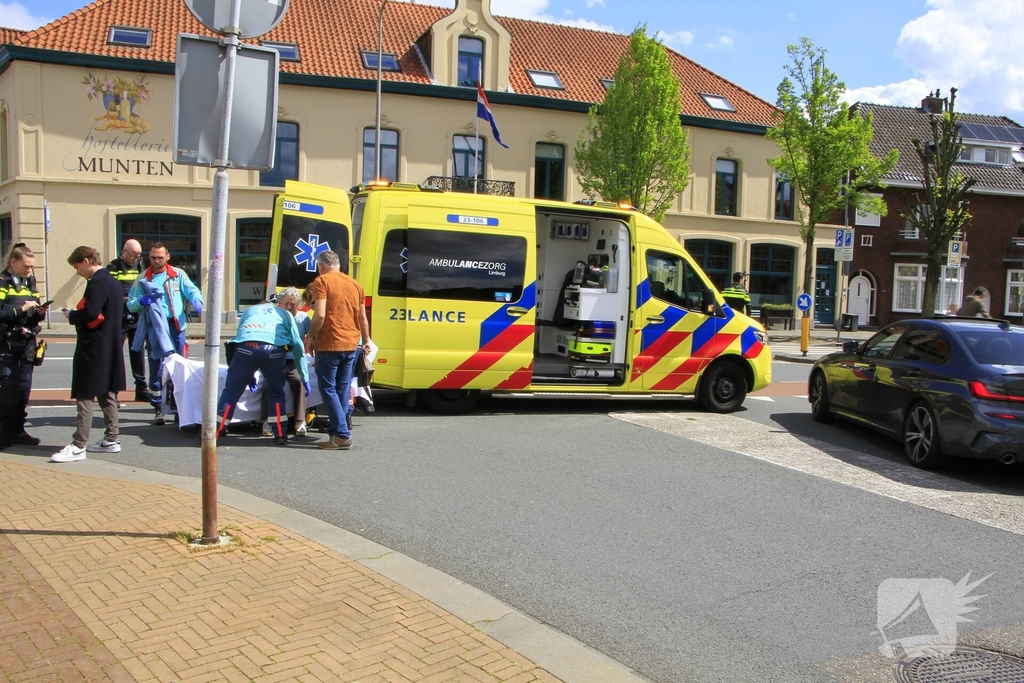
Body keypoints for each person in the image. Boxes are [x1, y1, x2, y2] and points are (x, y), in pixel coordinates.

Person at [51, 247, 126, 463]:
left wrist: (72, 315)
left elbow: (91, 312)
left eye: (77, 267)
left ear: (86, 261)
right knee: (106, 391)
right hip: (110, 344)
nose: (78, 272)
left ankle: (78, 445)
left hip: (93, 346)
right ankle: (112, 438)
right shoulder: (112, 281)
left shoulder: (97, 282)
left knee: (85, 393)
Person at [127, 242, 204, 424]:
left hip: (175, 327)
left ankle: (179, 409)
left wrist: (197, 300)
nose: (157, 260)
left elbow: (191, 290)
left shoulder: (177, 274)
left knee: (179, 368)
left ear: (167, 257)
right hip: (155, 329)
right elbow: (130, 303)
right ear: (149, 257)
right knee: (156, 368)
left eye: (160, 257)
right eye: (153, 257)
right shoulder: (143, 278)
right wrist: (141, 302)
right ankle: (158, 409)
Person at [215, 297, 309, 446]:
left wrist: (248, 373)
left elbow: (240, 336)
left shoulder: (249, 311)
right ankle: (280, 434)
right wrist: (304, 376)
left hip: (246, 349)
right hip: (274, 350)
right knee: (276, 393)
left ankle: (215, 432)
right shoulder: (285, 314)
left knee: (231, 392)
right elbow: (297, 345)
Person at [306, 250, 371, 451]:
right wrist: (366, 340)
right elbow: (362, 317)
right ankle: (337, 432)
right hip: (351, 343)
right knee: (343, 389)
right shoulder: (355, 284)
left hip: (330, 342)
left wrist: (310, 337)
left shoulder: (322, 281)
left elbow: (320, 315)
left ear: (321, 266)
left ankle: (342, 434)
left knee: (328, 388)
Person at [0, 243, 50, 450]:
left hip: (27, 343)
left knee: (23, 389)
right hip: (7, 344)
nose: (29, 270)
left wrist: (39, 313)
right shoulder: (3, 282)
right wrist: (20, 309)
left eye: (31, 266)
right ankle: (4, 433)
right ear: (13, 262)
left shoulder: (30, 283)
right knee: (7, 389)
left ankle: (18, 431)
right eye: (26, 266)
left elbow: (35, 316)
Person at [260, 287, 310, 437]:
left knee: (299, 381)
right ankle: (267, 421)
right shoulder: (273, 317)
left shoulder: (303, 318)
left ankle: (300, 421)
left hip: (293, 359)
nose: (289, 307)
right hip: (275, 358)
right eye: (286, 304)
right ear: (280, 304)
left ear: (298, 305)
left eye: (293, 304)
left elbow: (313, 336)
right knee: (268, 385)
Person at [106, 239, 149, 402]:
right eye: (132, 256)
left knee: (137, 351)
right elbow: (111, 291)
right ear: (124, 252)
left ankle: (141, 388)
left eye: (138, 256)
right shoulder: (113, 267)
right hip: (119, 315)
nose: (135, 259)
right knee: (116, 352)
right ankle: (113, 391)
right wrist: (126, 299)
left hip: (136, 314)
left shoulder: (140, 265)